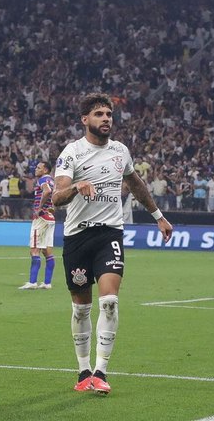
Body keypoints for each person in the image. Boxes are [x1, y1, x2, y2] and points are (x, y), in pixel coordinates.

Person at [52, 93, 173, 395]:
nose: (106, 118)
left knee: (109, 302)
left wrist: (158, 216)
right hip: (78, 237)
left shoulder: (120, 151)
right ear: (85, 120)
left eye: (108, 114)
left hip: (110, 235)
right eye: (99, 114)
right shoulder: (72, 153)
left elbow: (136, 184)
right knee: (81, 309)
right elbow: (56, 197)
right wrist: (77, 187)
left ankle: (101, 371)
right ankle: (83, 372)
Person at [19, 160, 56, 290]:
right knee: (47, 251)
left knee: (34, 250)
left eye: (39, 167)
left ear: (45, 170)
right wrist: (51, 207)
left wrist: (39, 207)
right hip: (50, 217)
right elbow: (53, 195)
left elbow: (47, 191)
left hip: (41, 218)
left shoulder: (43, 180)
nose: (36, 169)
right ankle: (47, 283)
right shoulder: (52, 181)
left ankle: (32, 282)